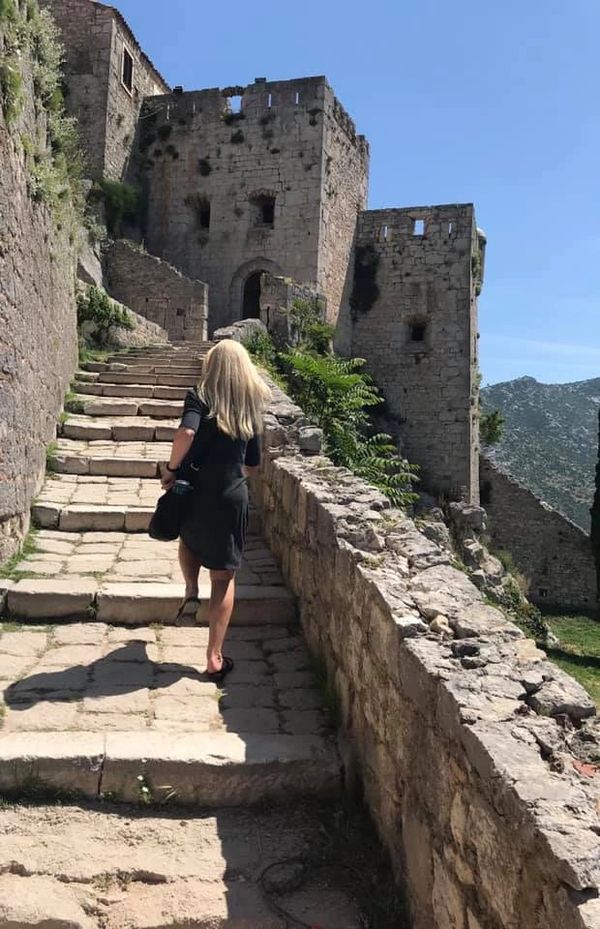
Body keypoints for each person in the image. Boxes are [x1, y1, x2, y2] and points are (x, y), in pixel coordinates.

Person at [160, 339, 270, 682]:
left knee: (189, 541)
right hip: (230, 497)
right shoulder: (250, 404)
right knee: (224, 578)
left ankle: (191, 590)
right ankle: (214, 657)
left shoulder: (199, 395)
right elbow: (253, 463)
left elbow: (186, 431)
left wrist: (171, 468)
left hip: (193, 491)